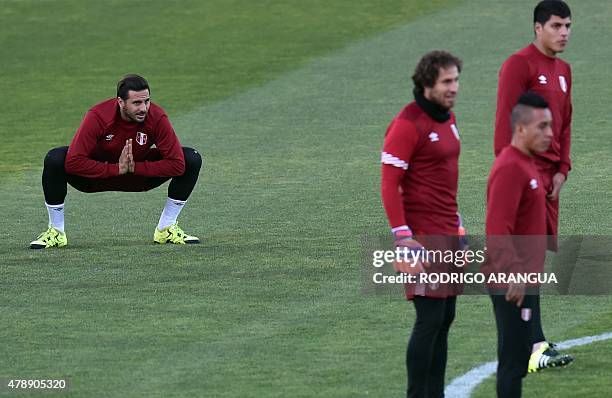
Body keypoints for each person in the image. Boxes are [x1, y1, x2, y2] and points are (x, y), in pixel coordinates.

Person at [30, 74, 202, 248]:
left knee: (191, 158)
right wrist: (115, 169)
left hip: (138, 176)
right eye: (136, 103)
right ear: (120, 102)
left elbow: (177, 164)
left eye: (147, 101)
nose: (144, 108)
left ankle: (166, 229)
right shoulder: (98, 116)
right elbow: (73, 162)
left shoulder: (156, 117)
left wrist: (135, 168)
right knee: (55, 158)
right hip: (95, 178)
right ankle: (56, 232)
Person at [494, 0, 573, 371]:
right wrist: (515, 174)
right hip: (525, 177)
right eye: (556, 25)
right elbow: (504, 125)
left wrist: (562, 169)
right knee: (523, 259)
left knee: (535, 260)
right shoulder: (519, 64)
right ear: (537, 28)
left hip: (548, 180)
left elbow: (565, 123)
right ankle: (532, 345)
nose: (564, 33)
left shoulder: (564, 70)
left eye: (568, 26)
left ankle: (534, 340)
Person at [381, 50, 465, 398]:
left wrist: (458, 225)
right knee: (429, 319)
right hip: (421, 239)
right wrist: (403, 237)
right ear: (427, 82)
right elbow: (389, 183)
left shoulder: (447, 117)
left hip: (448, 234)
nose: (454, 87)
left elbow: (443, 176)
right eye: (447, 81)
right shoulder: (407, 123)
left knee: (444, 319)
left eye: (457, 80)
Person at [484, 92, 556, 398]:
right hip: (510, 282)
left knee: (516, 360)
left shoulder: (526, 164)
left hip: (521, 279)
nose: (549, 133)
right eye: (542, 126)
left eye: (550, 126)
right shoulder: (511, 167)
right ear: (520, 129)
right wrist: (513, 272)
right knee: (513, 364)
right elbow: (497, 228)